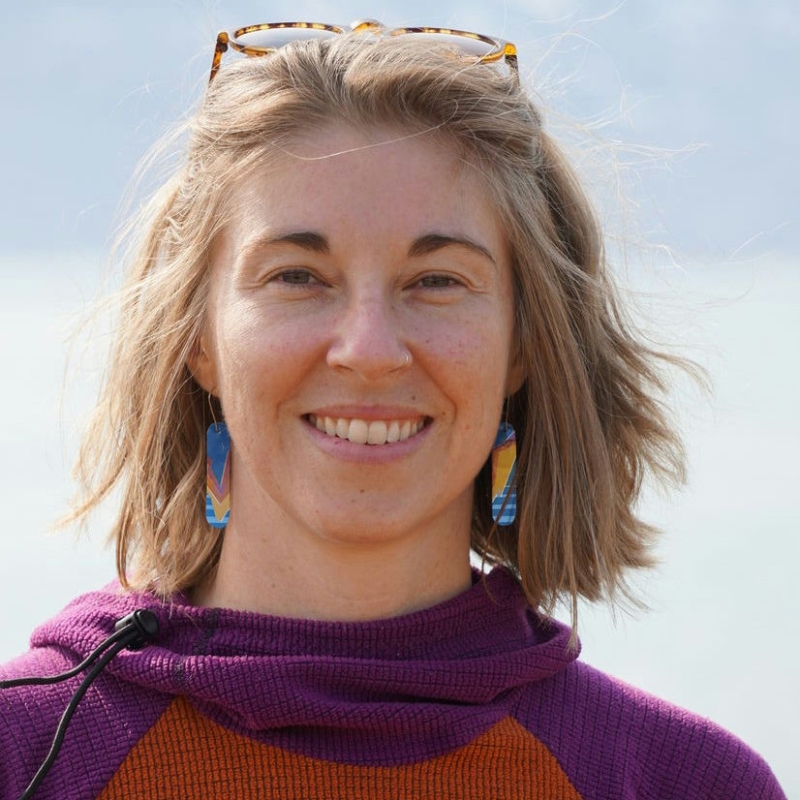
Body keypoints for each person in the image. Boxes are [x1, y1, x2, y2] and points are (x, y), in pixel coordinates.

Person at [0, 19, 786, 800]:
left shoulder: (681, 781)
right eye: (297, 276)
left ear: (525, 343)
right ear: (197, 336)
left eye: (437, 280)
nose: (370, 349)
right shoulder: (25, 751)